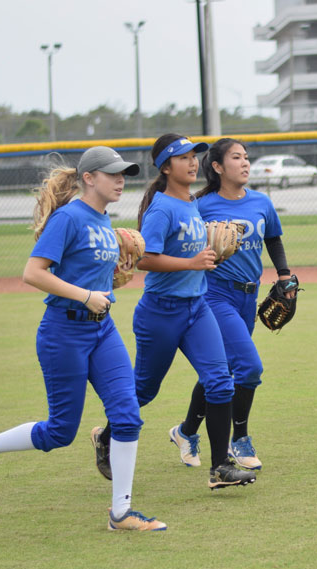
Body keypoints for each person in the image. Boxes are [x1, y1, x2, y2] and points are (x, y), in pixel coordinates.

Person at [0, 146, 166, 531]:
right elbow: (33, 272)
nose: (120, 180)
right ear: (88, 178)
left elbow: (86, 271)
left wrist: (105, 279)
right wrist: (84, 294)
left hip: (102, 329)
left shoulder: (103, 219)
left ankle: (121, 513)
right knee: (60, 431)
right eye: (112, 173)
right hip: (63, 331)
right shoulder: (69, 218)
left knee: (127, 416)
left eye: (124, 174)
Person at [92, 134, 256, 489]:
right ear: (166, 167)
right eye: (183, 158)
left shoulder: (191, 204)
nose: (192, 162)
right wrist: (191, 262)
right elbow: (144, 259)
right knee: (143, 390)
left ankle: (220, 467)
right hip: (161, 314)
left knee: (220, 382)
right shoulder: (162, 208)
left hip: (197, 309)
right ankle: (105, 435)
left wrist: (210, 255)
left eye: (194, 156)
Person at [168, 138, 297, 472]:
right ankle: (238, 439)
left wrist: (284, 276)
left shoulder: (261, 202)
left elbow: (273, 239)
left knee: (221, 370)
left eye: (247, 157)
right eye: (236, 157)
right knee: (249, 367)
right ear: (217, 166)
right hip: (214, 294)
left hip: (247, 296)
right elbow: (179, 240)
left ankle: (185, 432)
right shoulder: (202, 204)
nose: (245, 163)